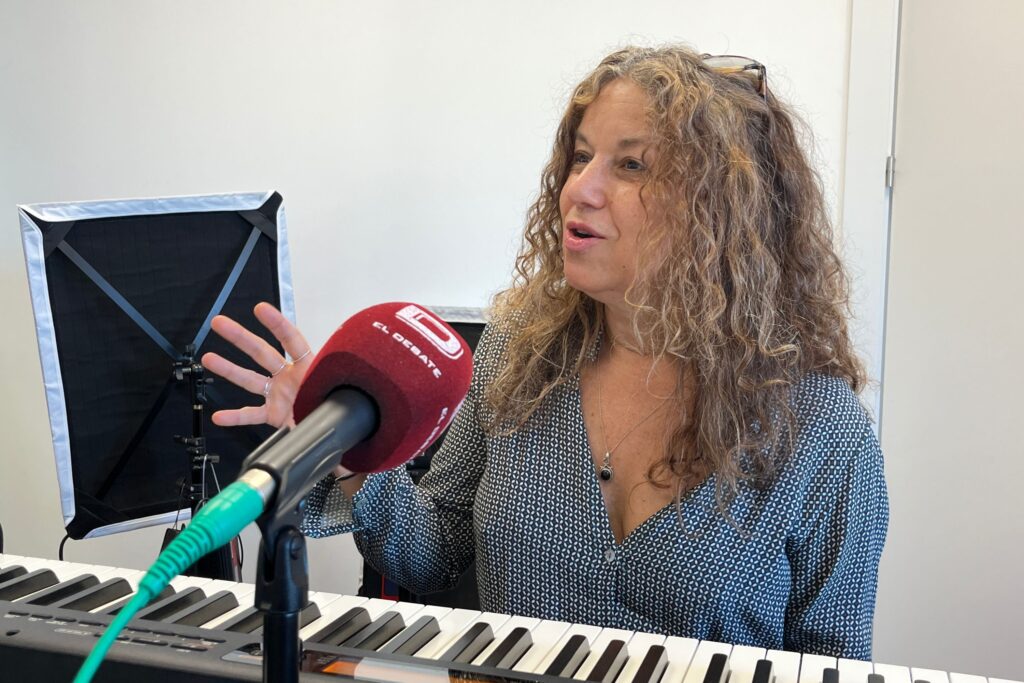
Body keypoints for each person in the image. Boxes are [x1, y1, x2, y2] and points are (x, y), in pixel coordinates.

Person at [202, 45, 888, 659]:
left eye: (631, 165)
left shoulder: (823, 430)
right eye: (581, 156)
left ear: (721, 213)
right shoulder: (520, 353)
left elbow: (833, 661)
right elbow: (435, 554)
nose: (578, 189)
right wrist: (347, 440)